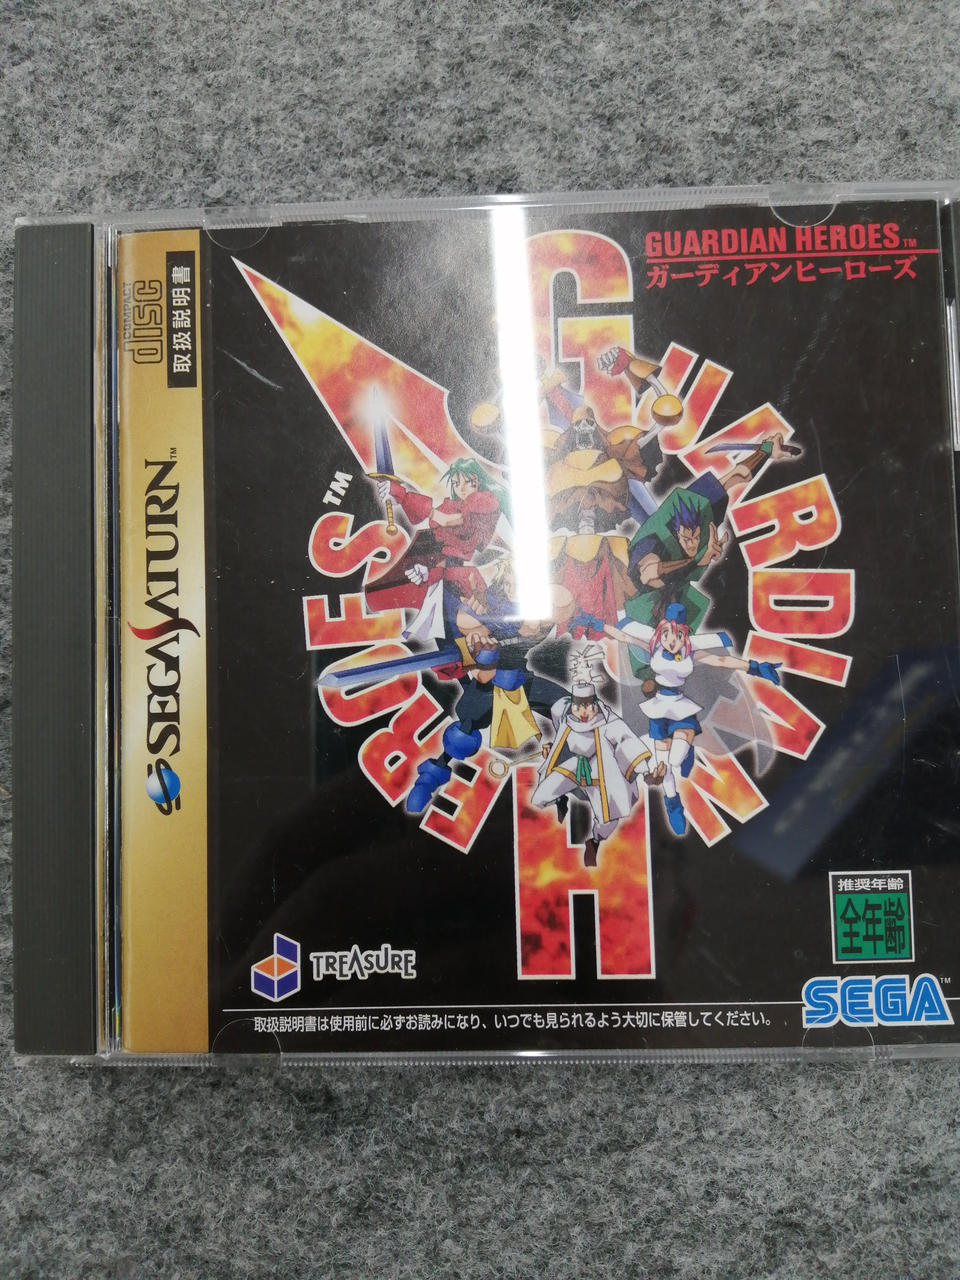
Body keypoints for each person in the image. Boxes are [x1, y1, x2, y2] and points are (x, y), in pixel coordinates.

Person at [605, 604, 781, 836]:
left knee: (675, 759)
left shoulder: (690, 651)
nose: (671, 640)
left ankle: (687, 751)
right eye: (666, 633)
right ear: (660, 632)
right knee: (664, 768)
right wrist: (594, 623)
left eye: (677, 635)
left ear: (684, 634)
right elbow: (624, 636)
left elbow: (721, 661)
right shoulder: (653, 645)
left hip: (680, 707)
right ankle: (673, 803)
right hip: (658, 708)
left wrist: (754, 667)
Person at [366, 458, 508, 642]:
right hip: (446, 572)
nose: (461, 488)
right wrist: (400, 500)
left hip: (462, 578)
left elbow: (447, 520)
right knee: (443, 626)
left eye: (467, 481)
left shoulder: (485, 501)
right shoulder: (455, 505)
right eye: (456, 483)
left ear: (477, 480)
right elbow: (434, 528)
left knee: (463, 625)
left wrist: (403, 495)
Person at [532, 649, 652, 867]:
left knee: (608, 819)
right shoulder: (564, 714)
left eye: (589, 705)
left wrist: (645, 771)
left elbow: (627, 741)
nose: (584, 711)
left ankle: (594, 842)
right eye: (579, 706)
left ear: (596, 704)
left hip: (600, 773)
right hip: (573, 766)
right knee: (541, 794)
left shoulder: (609, 723)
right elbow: (561, 738)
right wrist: (552, 747)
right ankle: (560, 801)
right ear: (572, 705)